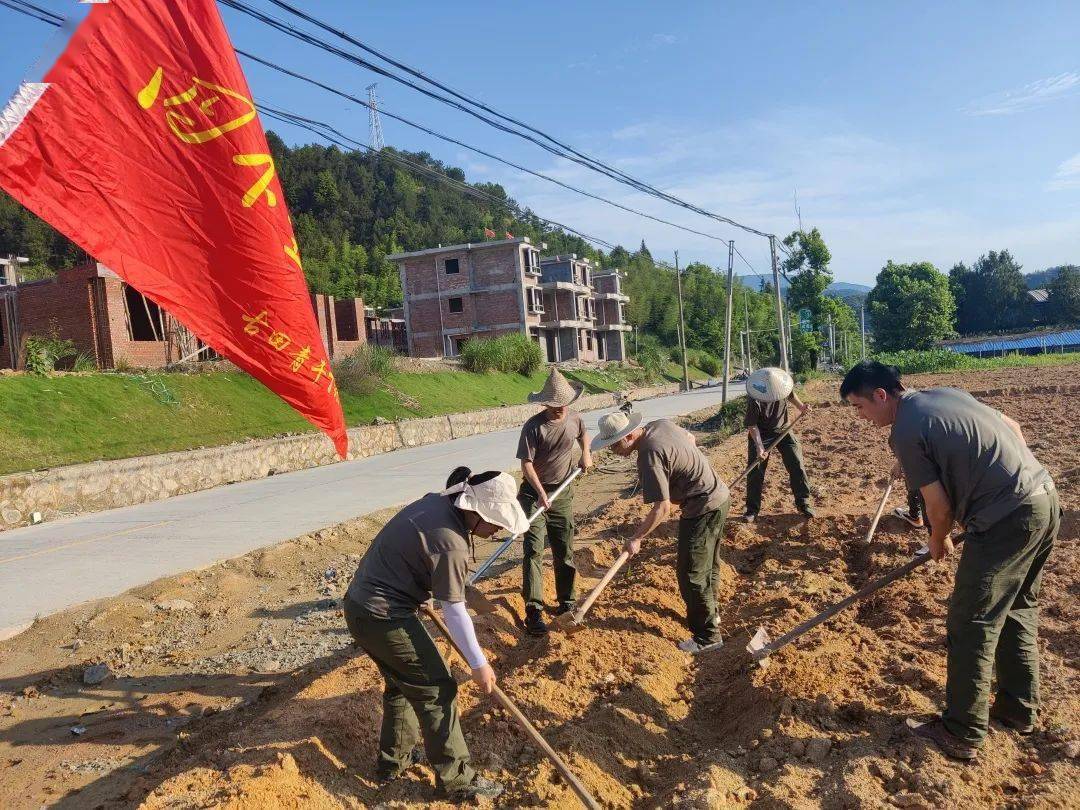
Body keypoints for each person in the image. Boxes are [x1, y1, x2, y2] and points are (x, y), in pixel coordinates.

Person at [840, 361, 1058, 761]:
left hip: (1005, 520)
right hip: (1043, 497)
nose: (860, 416)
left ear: (881, 396)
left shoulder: (904, 429)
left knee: (971, 621)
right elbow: (1011, 427)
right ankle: (1017, 710)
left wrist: (938, 539)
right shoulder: (944, 394)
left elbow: (937, 507)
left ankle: (962, 732)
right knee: (1018, 610)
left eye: (859, 407)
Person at [342, 467, 530, 800]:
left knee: (402, 685)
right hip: (382, 614)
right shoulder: (451, 544)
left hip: (361, 606)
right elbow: (454, 610)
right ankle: (458, 781)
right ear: (476, 513)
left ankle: (394, 761)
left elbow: (419, 558)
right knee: (437, 688)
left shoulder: (438, 504)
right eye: (497, 523)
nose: (498, 530)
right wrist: (478, 664)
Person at [592, 410, 730, 653]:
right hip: (718, 496)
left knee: (691, 573)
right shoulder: (660, 424)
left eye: (613, 446)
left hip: (702, 506)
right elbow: (689, 438)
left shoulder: (649, 454)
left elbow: (662, 508)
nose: (613, 452)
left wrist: (636, 538)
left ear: (628, 436)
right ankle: (712, 614)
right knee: (708, 564)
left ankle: (708, 637)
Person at [517, 368, 592, 635]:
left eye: (562, 404)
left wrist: (586, 454)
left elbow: (583, 435)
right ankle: (534, 609)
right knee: (534, 550)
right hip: (533, 495)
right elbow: (526, 464)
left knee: (564, 548)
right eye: (553, 405)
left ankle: (567, 602)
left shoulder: (575, 419)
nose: (558, 409)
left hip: (562, 493)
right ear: (544, 404)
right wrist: (539, 492)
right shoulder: (534, 427)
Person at [743, 373, 814, 522]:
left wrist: (802, 407)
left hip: (784, 430)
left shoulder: (782, 388)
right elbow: (752, 425)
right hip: (761, 434)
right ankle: (752, 510)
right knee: (755, 470)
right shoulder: (755, 398)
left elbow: (791, 396)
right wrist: (760, 448)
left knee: (796, 464)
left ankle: (803, 502)